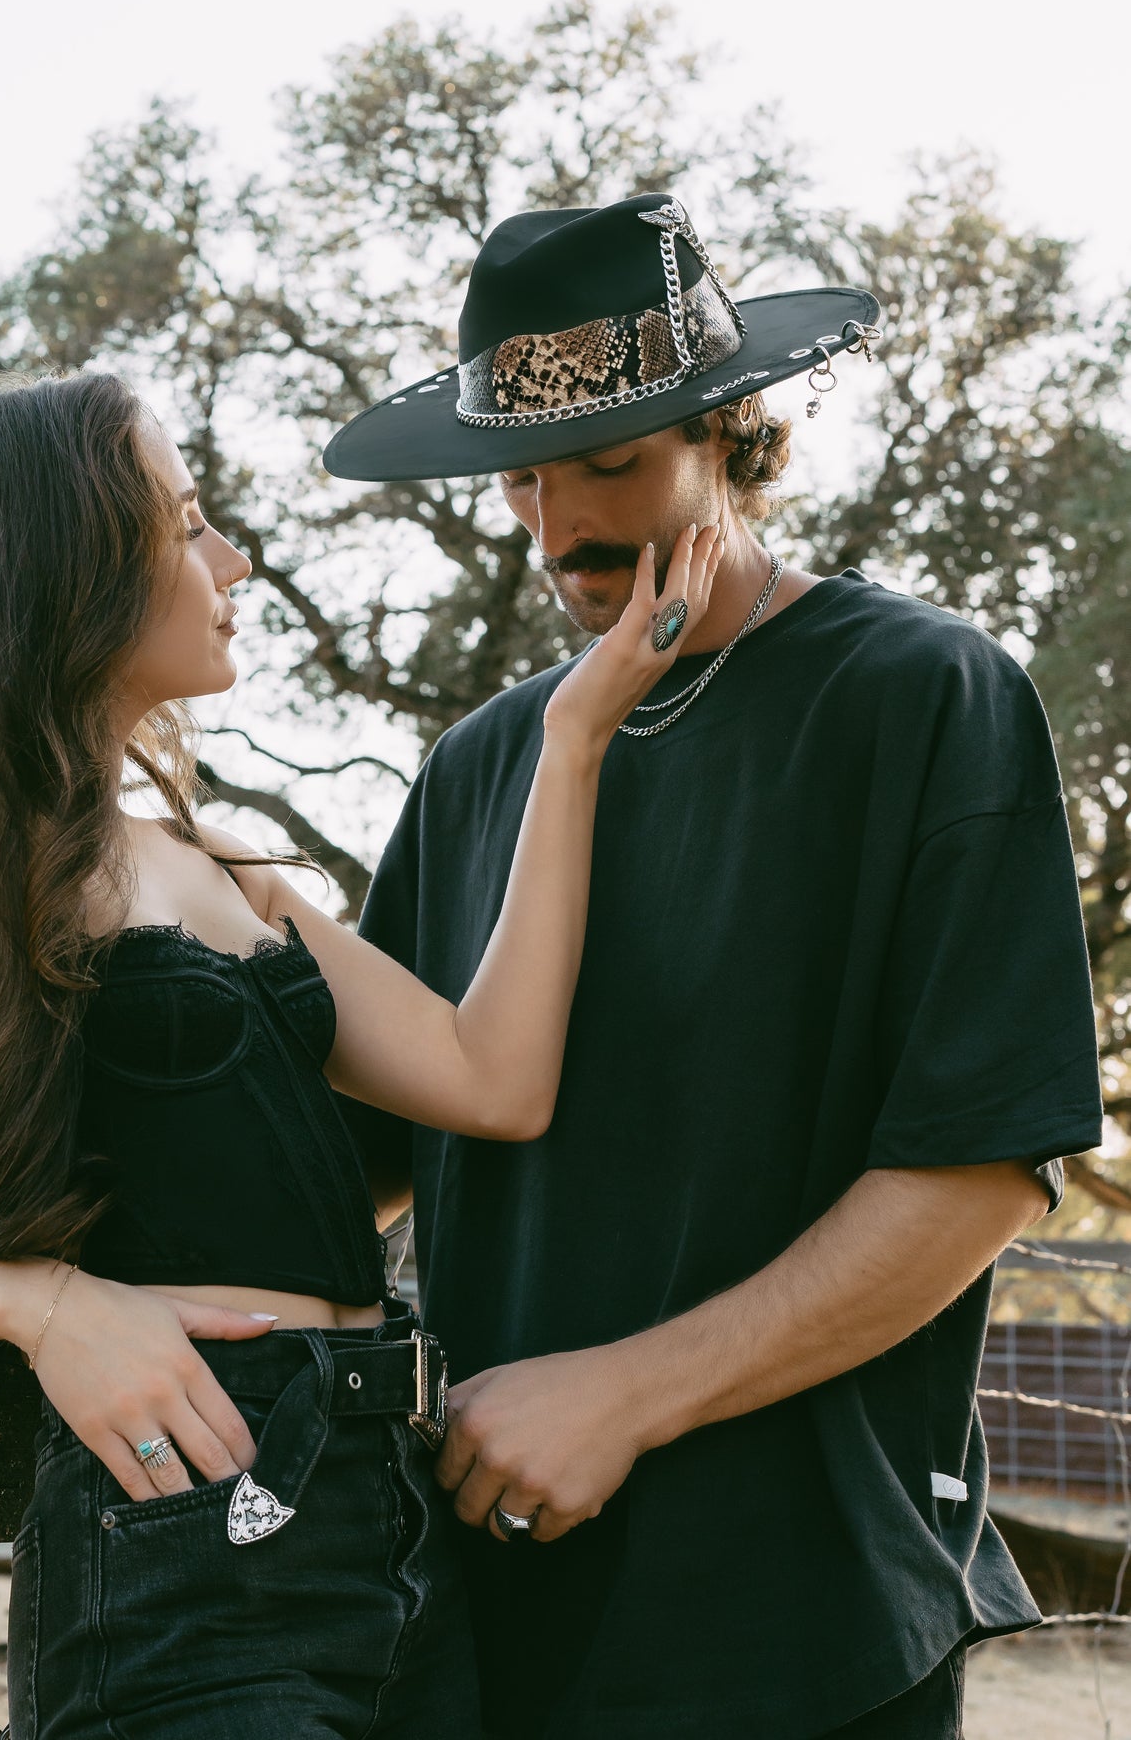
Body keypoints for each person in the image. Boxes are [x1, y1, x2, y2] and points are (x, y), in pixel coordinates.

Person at [0, 366, 721, 1740]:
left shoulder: (219, 862)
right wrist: (40, 1307)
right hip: (182, 1520)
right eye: (185, 524)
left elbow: (493, 1080)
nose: (232, 559)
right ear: (61, 567)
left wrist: (573, 739)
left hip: (390, 1508)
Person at [324, 191, 1106, 1739]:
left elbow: (977, 1173)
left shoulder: (924, 697)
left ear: (726, 429)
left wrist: (621, 1392)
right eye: (522, 478)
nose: (558, 529)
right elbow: (352, 1165)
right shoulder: (478, 768)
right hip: (483, 1611)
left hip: (803, 1627)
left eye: (607, 464)